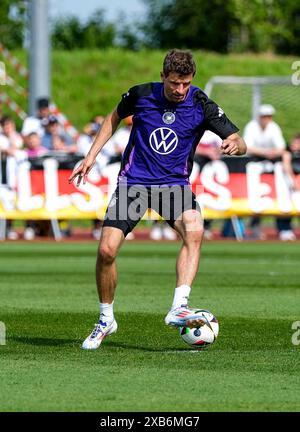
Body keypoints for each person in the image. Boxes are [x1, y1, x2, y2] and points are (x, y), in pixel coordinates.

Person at [69, 49, 247, 350]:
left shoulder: (201, 103)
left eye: (186, 84)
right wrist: (90, 157)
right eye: (175, 83)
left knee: (195, 229)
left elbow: (240, 141)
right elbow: (114, 117)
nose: (180, 90)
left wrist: (235, 143)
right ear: (163, 76)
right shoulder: (141, 95)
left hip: (174, 186)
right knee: (106, 252)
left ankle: (179, 305)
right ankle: (106, 319)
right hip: (133, 184)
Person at [244, 104, 286, 239]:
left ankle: (283, 228)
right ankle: (255, 228)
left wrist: (271, 153)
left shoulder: (273, 128)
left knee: (279, 195)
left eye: (269, 116)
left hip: (270, 164)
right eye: (264, 116)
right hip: (253, 165)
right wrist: (265, 152)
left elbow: (281, 148)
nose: (266, 119)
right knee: (254, 197)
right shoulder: (252, 126)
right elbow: (247, 147)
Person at [278, 133, 300, 241]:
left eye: (297, 142)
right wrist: (293, 181)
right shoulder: (287, 153)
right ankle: (285, 230)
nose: (294, 144)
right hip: (286, 185)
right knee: (285, 207)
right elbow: (286, 166)